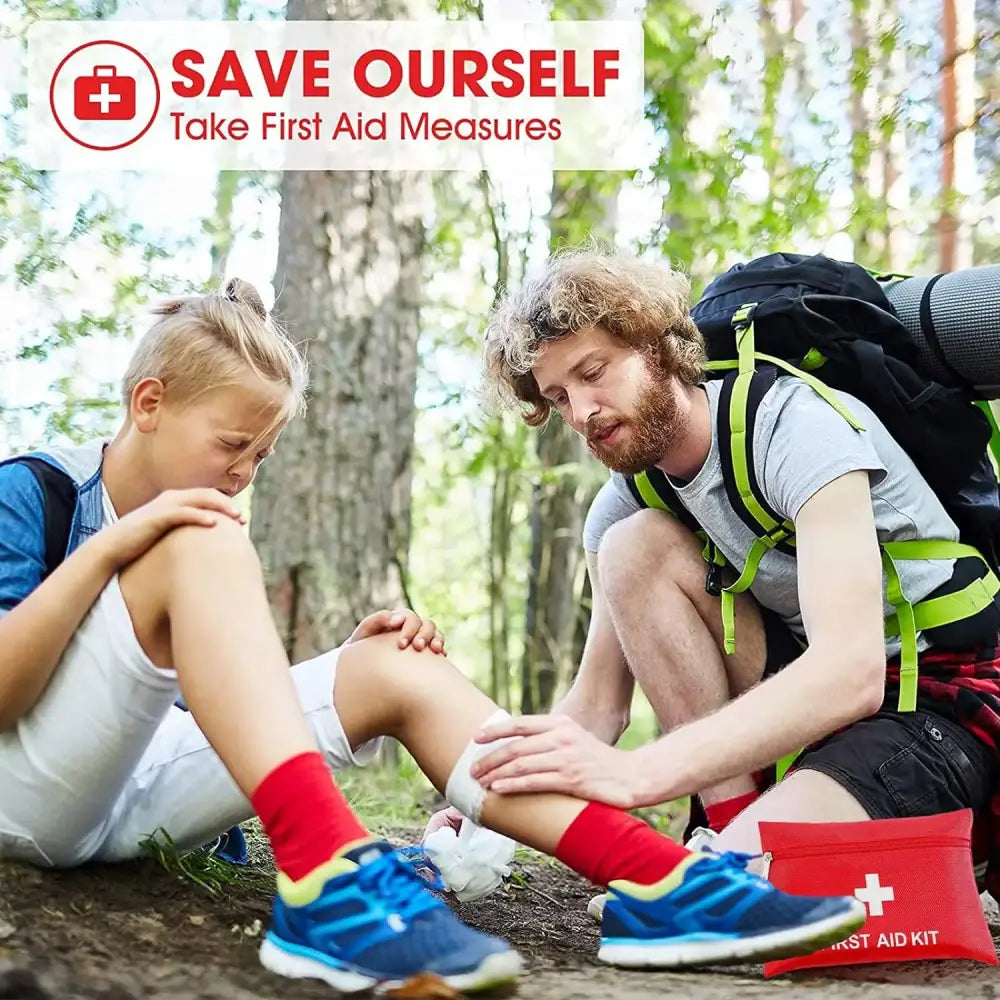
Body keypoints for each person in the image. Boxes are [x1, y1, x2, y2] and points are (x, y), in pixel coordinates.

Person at [0, 278, 865, 993]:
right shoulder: (35, 493)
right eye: (233, 445)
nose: (242, 474)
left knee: (391, 659)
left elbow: (171, 703)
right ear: (148, 403)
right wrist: (114, 546)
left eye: (260, 457)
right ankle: (327, 881)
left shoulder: (197, 526)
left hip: (130, 796)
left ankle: (658, 879)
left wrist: (350, 667)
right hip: (25, 798)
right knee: (198, 537)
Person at [473, 247, 1000, 897]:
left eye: (594, 371)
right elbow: (596, 707)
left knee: (699, 900)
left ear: (654, 345)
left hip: (934, 697)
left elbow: (850, 675)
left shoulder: (793, 428)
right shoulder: (627, 499)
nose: (582, 412)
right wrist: (490, 810)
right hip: (802, 702)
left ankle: (903, 836)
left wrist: (642, 775)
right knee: (629, 548)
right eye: (559, 397)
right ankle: (726, 838)